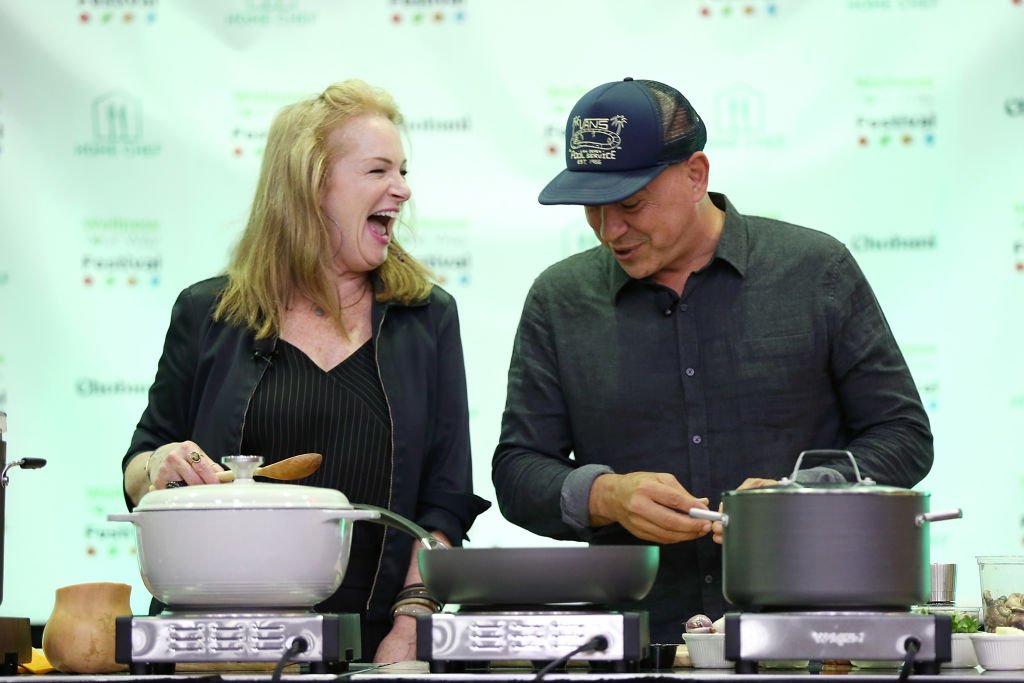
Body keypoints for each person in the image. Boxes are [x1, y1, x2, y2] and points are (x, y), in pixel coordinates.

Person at [491, 77, 933, 643]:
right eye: (591, 209)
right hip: (637, 645)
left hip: (812, 641)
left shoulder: (815, 270)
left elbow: (903, 435)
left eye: (630, 204)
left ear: (696, 174)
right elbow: (518, 470)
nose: (609, 231)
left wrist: (803, 494)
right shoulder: (560, 299)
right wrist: (606, 496)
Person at [121, 79, 490, 662]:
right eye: (378, 172)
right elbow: (138, 469)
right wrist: (158, 466)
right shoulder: (208, 312)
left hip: (375, 648)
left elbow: (442, 505)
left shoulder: (428, 318)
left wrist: (412, 624)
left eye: (403, 171)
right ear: (312, 185)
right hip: (216, 647)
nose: (403, 190)